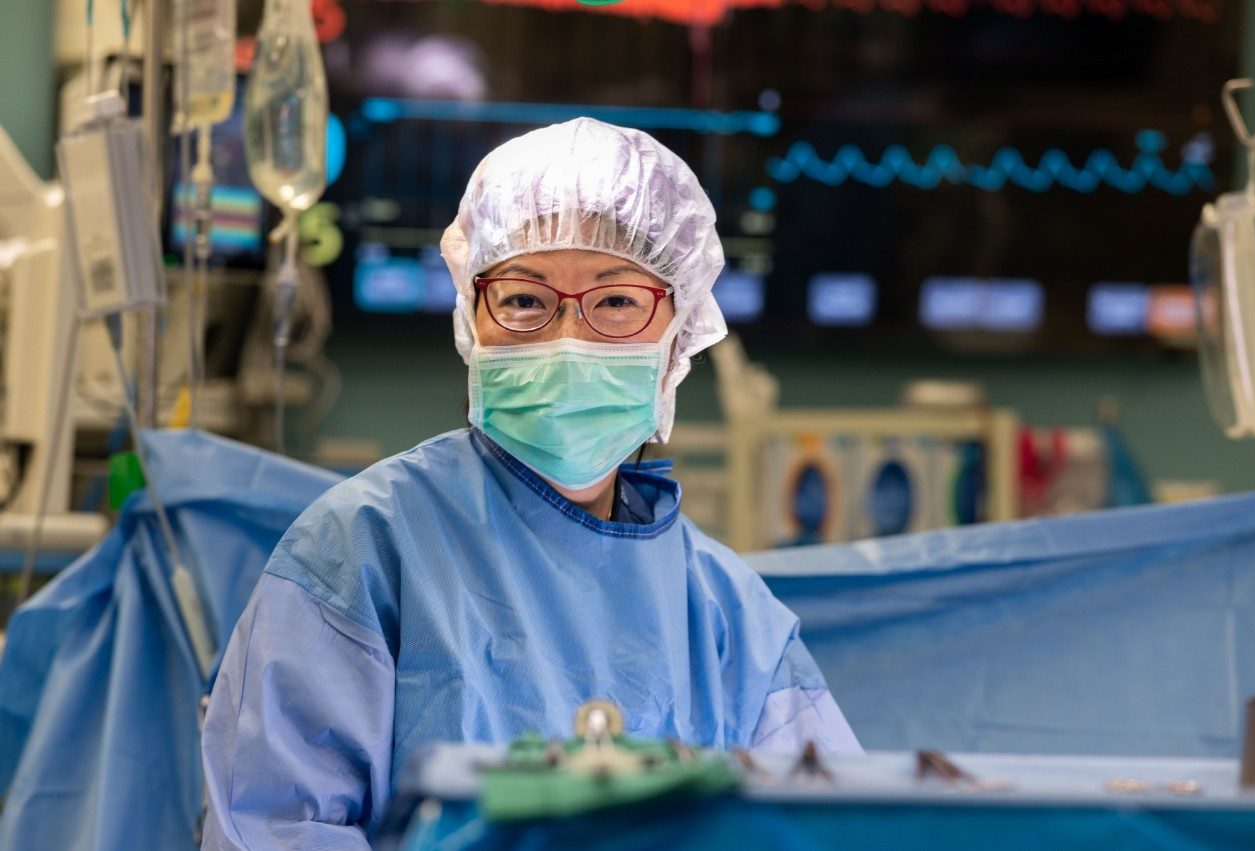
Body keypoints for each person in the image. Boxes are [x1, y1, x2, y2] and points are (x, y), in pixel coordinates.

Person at [200, 117, 860, 849]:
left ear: (679, 335)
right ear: (471, 322)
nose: (566, 338)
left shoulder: (730, 620)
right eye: (523, 300)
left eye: (615, 301)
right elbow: (271, 827)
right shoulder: (359, 552)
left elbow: (828, 825)